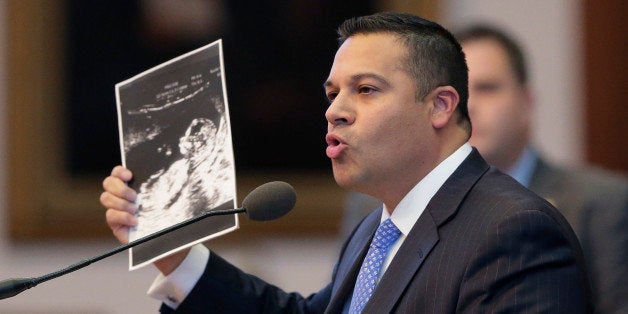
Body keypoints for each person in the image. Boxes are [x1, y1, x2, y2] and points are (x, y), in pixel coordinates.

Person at [101, 12, 592, 313]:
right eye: (332, 93)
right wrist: (173, 251)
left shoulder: (513, 231)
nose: (335, 109)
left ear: (440, 106)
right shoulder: (377, 227)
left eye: (366, 90)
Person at [343, 23, 628, 314]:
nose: (468, 104)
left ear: (526, 103)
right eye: (457, 91)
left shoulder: (602, 204)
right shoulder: (374, 208)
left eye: (486, 88)